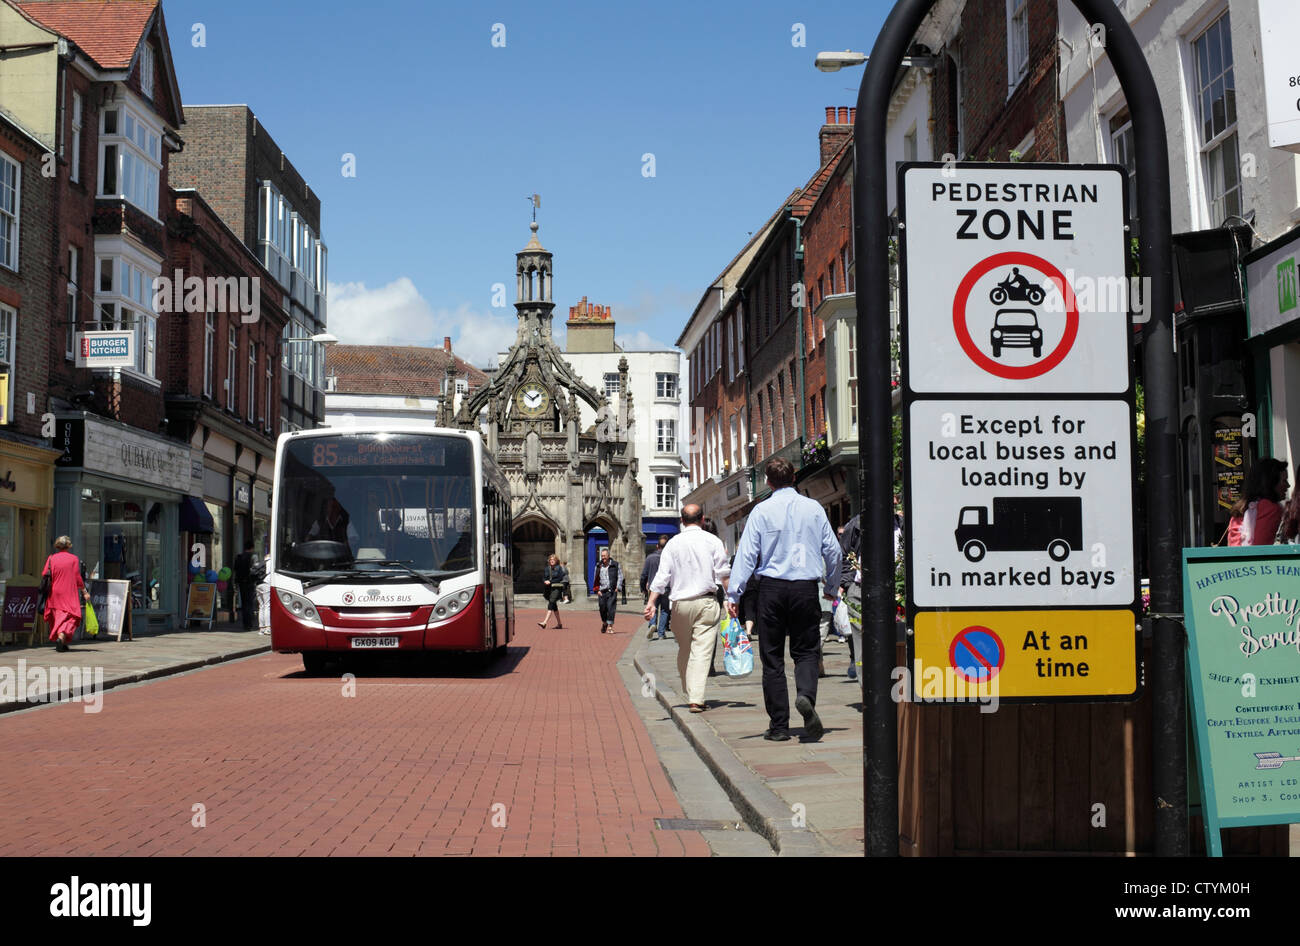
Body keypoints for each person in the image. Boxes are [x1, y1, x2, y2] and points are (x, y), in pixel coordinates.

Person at [728, 458, 841, 742]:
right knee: (806, 651)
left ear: (767, 481)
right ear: (794, 478)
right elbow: (834, 552)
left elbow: (746, 556)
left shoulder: (761, 511)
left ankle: (779, 726)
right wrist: (832, 585)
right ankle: (805, 696)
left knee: (773, 658)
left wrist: (735, 594)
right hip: (805, 588)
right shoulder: (814, 508)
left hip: (772, 590)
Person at [645, 504, 730, 713]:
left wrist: (651, 602)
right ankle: (696, 697)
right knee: (701, 651)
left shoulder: (673, 544)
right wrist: (732, 598)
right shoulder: (713, 541)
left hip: (680, 606)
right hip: (707, 602)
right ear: (702, 520)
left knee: (685, 649)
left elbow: (662, 576)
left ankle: (691, 692)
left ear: (681, 521)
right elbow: (724, 574)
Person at [42, 536, 89, 652]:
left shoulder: (51, 558)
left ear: (57, 546)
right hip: (69, 591)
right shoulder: (73, 559)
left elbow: (44, 574)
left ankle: (62, 642)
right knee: (72, 616)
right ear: (68, 546)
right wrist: (84, 591)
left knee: (58, 616)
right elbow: (77, 577)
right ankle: (62, 636)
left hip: (54, 592)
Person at [1227, 457, 1288, 546]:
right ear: (1271, 483)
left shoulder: (1241, 508)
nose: (1288, 485)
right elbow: (1261, 547)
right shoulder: (1271, 508)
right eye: (1284, 480)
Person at [641, 536, 670, 640]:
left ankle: (653, 624)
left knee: (653, 606)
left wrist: (643, 588)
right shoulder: (669, 557)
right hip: (667, 588)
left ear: (657, 546)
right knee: (665, 610)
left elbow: (644, 575)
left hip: (653, 588)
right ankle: (661, 633)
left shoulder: (650, 558)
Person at [591, 547, 623, 634]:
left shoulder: (615, 565)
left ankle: (610, 626)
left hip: (612, 591)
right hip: (602, 591)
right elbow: (595, 578)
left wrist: (618, 587)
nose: (603, 558)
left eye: (604, 556)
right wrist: (597, 590)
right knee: (602, 608)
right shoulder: (598, 566)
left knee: (611, 608)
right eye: (602, 556)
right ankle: (604, 622)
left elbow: (620, 576)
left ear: (608, 556)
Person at [232, 539, 260, 631]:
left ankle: (245, 624)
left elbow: (235, 569)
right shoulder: (254, 556)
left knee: (244, 603)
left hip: (241, 582)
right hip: (250, 581)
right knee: (250, 603)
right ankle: (250, 623)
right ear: (252, 548)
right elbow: (256, 569)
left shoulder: (239, 556)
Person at [539, 554, 567, 629]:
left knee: (551, 603)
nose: (552, 561)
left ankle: (544, 622)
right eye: (550, 559)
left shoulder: (559, 568)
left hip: (556, 588)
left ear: (556, 561)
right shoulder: (547, 569)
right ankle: (560, 624)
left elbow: (560, 578)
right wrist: (545, 581)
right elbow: (544, 577)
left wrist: (550, 581)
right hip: (548, 589)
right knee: (554, 606)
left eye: (553, 560)